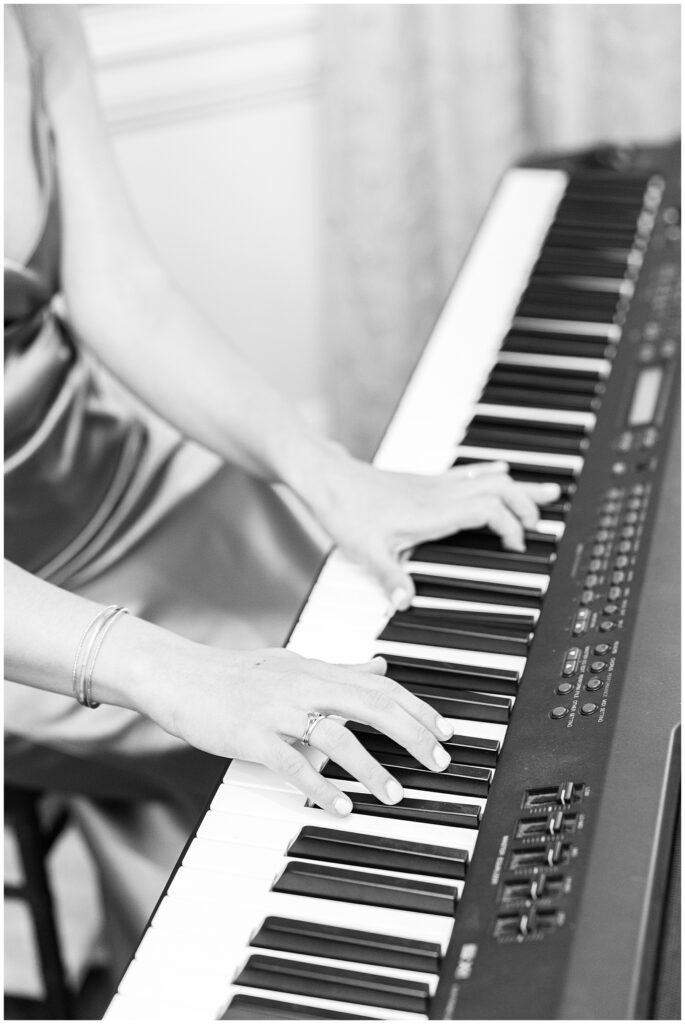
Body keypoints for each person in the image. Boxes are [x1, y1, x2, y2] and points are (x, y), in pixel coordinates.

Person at [5, 4, 560, 978]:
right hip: (27, 599)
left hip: (123, 472)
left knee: (358, 649)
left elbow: (119, 284)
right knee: (248, 765)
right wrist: (157, 667)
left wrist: (327, 472)